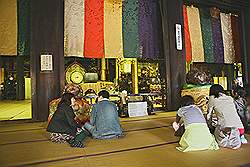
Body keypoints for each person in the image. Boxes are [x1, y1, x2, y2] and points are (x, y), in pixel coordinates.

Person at [207, 84, 245, 149]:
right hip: (241, 128)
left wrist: (209, 125)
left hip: (227, 128)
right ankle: (239, 136)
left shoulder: (212, 99)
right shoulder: (230, 98)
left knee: (216, 132)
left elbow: (208, 115)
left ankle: (228, 137)